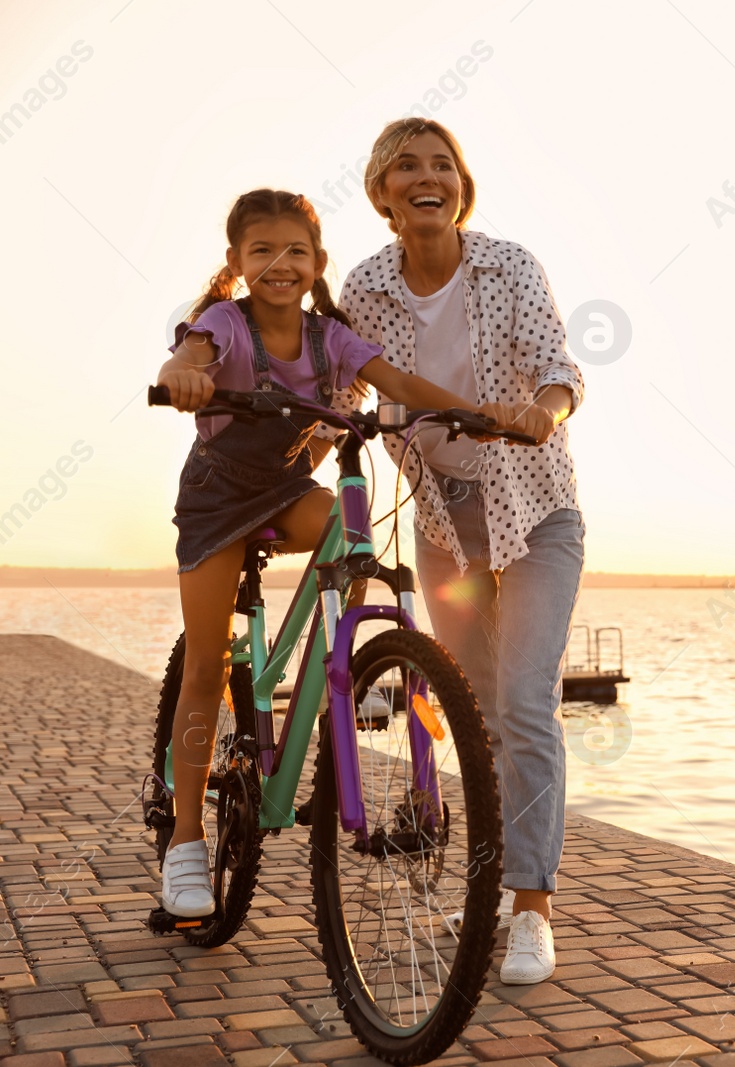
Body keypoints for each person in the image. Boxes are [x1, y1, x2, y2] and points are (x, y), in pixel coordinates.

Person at [154, 188, 517, 919]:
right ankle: (185, 839)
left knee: (352, 541)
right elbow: (190, 354)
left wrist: (468, 414)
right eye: (262, 252)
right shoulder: (226, 322)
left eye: (295, 252)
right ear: (237, 264)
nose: (280, 264)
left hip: (287, 489)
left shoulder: (331, 338)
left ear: (318, 263)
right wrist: (183, 378)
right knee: (203, 664)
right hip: (219, 499)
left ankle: (335, 673)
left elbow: (398, 383)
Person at [336, 117, 586, 985]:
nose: (426, 176)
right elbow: (330, 373)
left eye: (442, 164)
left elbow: (558, 368)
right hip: (445, 521)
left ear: (461, 189)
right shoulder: (363, 289)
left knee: (524, 701)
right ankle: (486, 889)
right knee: (471, 712)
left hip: (536, 509)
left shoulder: (507, 265)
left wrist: (541, 412)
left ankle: (531, 910)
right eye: (406, 167)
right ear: (383, 196)